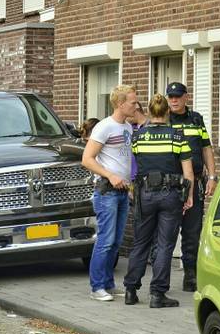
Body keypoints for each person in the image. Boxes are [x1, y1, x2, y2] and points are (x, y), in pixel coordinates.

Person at [123, 94, 194, 308]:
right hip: (170, 195)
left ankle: (130, 290)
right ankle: (157, 294)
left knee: (141, 242)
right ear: (167, 112)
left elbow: (134, 168)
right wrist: (189, 197)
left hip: (144, 193)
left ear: (151, 112)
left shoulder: (138, 137)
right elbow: (188, 172)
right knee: (164, 245)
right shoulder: (178, 137)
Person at [82, 85, 137, 302]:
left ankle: (108, 284)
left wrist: (129, 183)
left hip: (122, 192)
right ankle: (97, 287)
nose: (136, 105)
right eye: (132, 102)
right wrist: (111, 175)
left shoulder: (128, 128)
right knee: (105, 239)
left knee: (116, 241)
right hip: (107, 192)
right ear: (120, 103)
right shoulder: (104, 127)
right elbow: (87, 159)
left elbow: (125, 159)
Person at [167, 82, 216, 292]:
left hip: (194, 182)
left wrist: (212, 176)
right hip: (170, 183)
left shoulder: (196, 119)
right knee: (167, 232)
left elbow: (206, 148)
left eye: (178, 96)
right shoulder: (163, 120)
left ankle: (190, 276)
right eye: (171, 97)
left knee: (192, 232)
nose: (174, 100)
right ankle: (160, 280)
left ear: (186, 97)